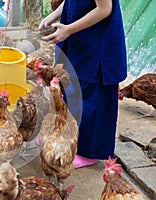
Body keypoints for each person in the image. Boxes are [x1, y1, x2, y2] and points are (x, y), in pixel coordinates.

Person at [39, 0, 127, 168]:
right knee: (73, 86)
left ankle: (89, 153)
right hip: (82, 36)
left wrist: (68, 29)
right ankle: (66, 137)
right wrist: (52, 16)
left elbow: (105, 8)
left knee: (93, 98)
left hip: (98, 40)